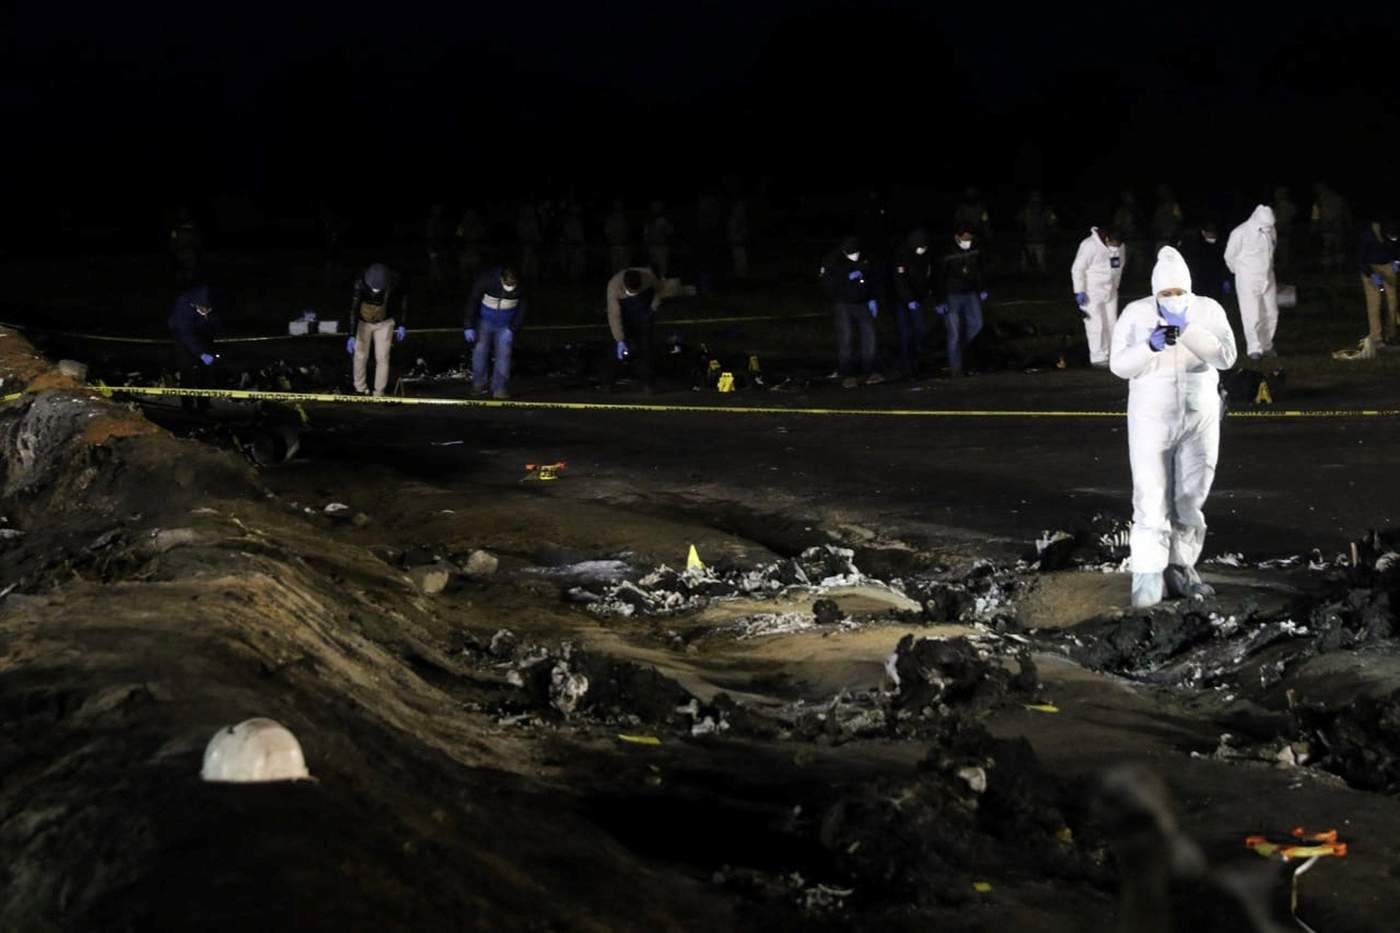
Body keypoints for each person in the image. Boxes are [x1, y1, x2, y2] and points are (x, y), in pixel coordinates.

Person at [1110, 246, 1238, 609]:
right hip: (1152, 416)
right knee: (1151, 495)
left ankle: (1181, 566)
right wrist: (1149, 346)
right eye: (1166, 293)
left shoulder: (1208, 310)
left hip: (1200, 415)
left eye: (1179, 291)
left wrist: (1189, 330)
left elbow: (1227, 357)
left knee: (1192, 494)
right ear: (1155, 292)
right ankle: (1148, 575)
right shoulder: (1136, 314)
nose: (1173, 298)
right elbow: (1119, 365)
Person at [604, 267, 689, 392]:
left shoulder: (648, 277)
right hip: (625, 313)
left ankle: (647, 382)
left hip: (644, 312)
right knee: (618, 349)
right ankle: (610, 380)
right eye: (631, 292)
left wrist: (652, 308)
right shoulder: (614, 286)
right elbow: (614, 314)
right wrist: (619, 340)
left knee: (646, 346)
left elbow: (660, 290)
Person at [819, 235, 881, 387]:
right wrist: (846, 278)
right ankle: (847, 374)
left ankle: (870, 371)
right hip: (843, 304)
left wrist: (873, 297)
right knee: (846, 338)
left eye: (857, 253)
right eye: (852, 254)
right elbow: (827, 283)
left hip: (863, 302)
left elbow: (874, 278)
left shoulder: (865, 257)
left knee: (870, 336)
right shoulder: (832, 260)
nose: (855, 257)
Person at [1224, 205, 1279, 360]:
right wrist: (1242, 273)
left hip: (1268, 277)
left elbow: (1272, 249)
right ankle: (1254, 348)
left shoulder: (1271, 230)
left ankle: (1267, 345)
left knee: (1271, 312)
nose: (1269, 228)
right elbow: (1229, 256)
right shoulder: (1239, 233)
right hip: (1247, 279)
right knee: (1251, 314)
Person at [346, 262, 408, 397]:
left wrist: (402, 324)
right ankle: (360, 389)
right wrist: (351, 334)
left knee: (382, 356)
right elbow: (354, 308)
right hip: (363, 322)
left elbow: (402, 301)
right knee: (360, 355)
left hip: (385, 322)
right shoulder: (360, 283)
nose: (376, 292)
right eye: (373, 289)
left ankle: (379, 392)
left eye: (379, 289)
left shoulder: (395, 281)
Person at [464, 267, 526, 399]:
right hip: (484, 323)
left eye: (513, 284)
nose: (510, 287)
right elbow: (473, 301)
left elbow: (523, 307)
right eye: (507, 284)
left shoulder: (522, 286)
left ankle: (499, 388)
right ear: (501, 279)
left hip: (505, 326)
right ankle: (478, 385)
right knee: (479, 352)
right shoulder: (486, 281)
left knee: (504, 356)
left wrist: (513, 328)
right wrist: (469, 326)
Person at [935, 226, 988, 377]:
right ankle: (955, 368)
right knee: (954, 333)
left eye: (970, 238)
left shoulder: (975, 250)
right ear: (957, 238)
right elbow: (939, 277)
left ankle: (965, 355)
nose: (968, 241)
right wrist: (940, 300)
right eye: (965, 238)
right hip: (952, 295)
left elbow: (978, 271)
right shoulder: (947, 253)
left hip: (970, 293)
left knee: (977, 324)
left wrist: (982, 288)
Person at [1071, 226, 1125, 368]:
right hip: (1091, 291)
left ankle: (1113, 353)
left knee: (1112, 323)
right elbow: (1078, 268)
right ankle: (1098, 356)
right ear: (1107, 239)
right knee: (1096, 324)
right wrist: (1079, 290)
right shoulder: (1089, 245)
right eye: (1113, 244)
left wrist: (1115, 286)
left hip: (1110, 290)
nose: (1116, 248)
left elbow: (1118, 267)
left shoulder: (1120, 246)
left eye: (1118, 245)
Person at [167, 284, 222, 413]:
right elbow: (186, 335)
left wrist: (209, 321)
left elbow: (217, 326)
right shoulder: (183, 306)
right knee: (186, 370)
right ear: (195, 305)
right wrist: (201, 354)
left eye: (208, 310)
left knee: (207, 370)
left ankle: (204, 403)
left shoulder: (215, 303)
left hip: (204, 336)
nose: (205, 312)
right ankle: (187, 405)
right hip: (182, 338)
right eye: (202, 309)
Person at [892, 228, 934, 375]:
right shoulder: (902, 254)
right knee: (905, 333)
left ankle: (918, 361)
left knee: (920, 330)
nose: (922, 249)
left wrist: (926, 292)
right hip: (902, 300)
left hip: (918, 298)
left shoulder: (925, 255)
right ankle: (906, 365)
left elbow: (926, 275)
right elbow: (899, 279)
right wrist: (909, 299)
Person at [1358, 219, 1400, 349]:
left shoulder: (1394, 233)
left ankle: (1391, 336)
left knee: (1393, 303)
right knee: (1374, 304)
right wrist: (1371, 274)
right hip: (1370, 267)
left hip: (1388, 266)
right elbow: (1361, 259)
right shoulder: (1368, 236)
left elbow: (1397, 248)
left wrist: (1397, 261)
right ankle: (1376, 338)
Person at [1176, 223, 1230, 301]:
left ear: (1203, 232)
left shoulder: (1196, 246)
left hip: (1202, 282)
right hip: (1213, 282)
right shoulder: (1221, 246)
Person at [1311, 182, 1351, 272]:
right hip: (1330, 226)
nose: (1317, 190)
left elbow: (1315, 216)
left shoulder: (1322, 199)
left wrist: (1314, 226)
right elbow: (1316, 215)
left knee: (1332, 247)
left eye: (1318, 188)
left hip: (1332, 226)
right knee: (1332, 247)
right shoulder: (1324, 199)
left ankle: (1334, 268)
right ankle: (1333, 268)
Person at [1017, 191, 1058, 274]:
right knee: (1032, 264)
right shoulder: (1028, 209)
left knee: (1036, 264)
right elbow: (1053, 222)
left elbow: (1053, 221)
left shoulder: (1044, 210)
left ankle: (1037, 277)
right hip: (1033, 240)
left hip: (1037, 240)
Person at [169, 207, 202, 286]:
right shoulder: (175, 227)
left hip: (190, 253)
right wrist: (173, 250)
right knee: (179, 273)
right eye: (181, 213)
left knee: (189, 273)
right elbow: (173, 239)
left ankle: (189, 285)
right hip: (179, 253)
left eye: (184, 212)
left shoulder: (192, 225)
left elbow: (196, 238)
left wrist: (197, 249)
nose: (182, 214)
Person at [643, 201, 675, 278]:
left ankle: (663, 282)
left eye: (657, 206)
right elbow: (646, 235)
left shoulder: (664, 220)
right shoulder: (649, 220)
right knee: (650, 270)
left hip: (662, 248)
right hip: (651, 248)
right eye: (654, 207)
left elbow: (670, 233)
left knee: (663, 271)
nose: (655, 208)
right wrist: (646, 247)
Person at [1272, 186, 1298, 275]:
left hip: (1285, 233)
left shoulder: (1289, 206)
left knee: (1284, 256)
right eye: (1277, 193)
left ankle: (1285, 273)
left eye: (1280, 193)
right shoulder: (1273, 206)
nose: (1278, 195)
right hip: (1274, 234)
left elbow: (1290, 218)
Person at [1150, 184, 1183, 252]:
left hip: (1170, 238)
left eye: (1163, 190)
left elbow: (1179, 219)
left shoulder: (1173, 205)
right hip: (1160, 238)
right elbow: (1156, 221)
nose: (1160, 193)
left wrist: (1175, 234)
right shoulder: (1159, 206)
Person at [604, 201, 631, 273]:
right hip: (614, 247)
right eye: (616, 204)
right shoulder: (610, 219)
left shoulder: (625, 218)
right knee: (615, 268)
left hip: (624, 247)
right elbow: (607, 234)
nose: (618, 206)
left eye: (619, 204)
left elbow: (628, 232)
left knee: (625, 269)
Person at [728, 199, 750, 278]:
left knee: (743, 268)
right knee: (739, 269)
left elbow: (745, 234)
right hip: (736, 247)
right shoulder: (733, 221)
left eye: (742, 208)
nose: (741, 210)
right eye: (739, 208)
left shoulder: (742, 220)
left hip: (742, 246)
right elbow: (732, 235)